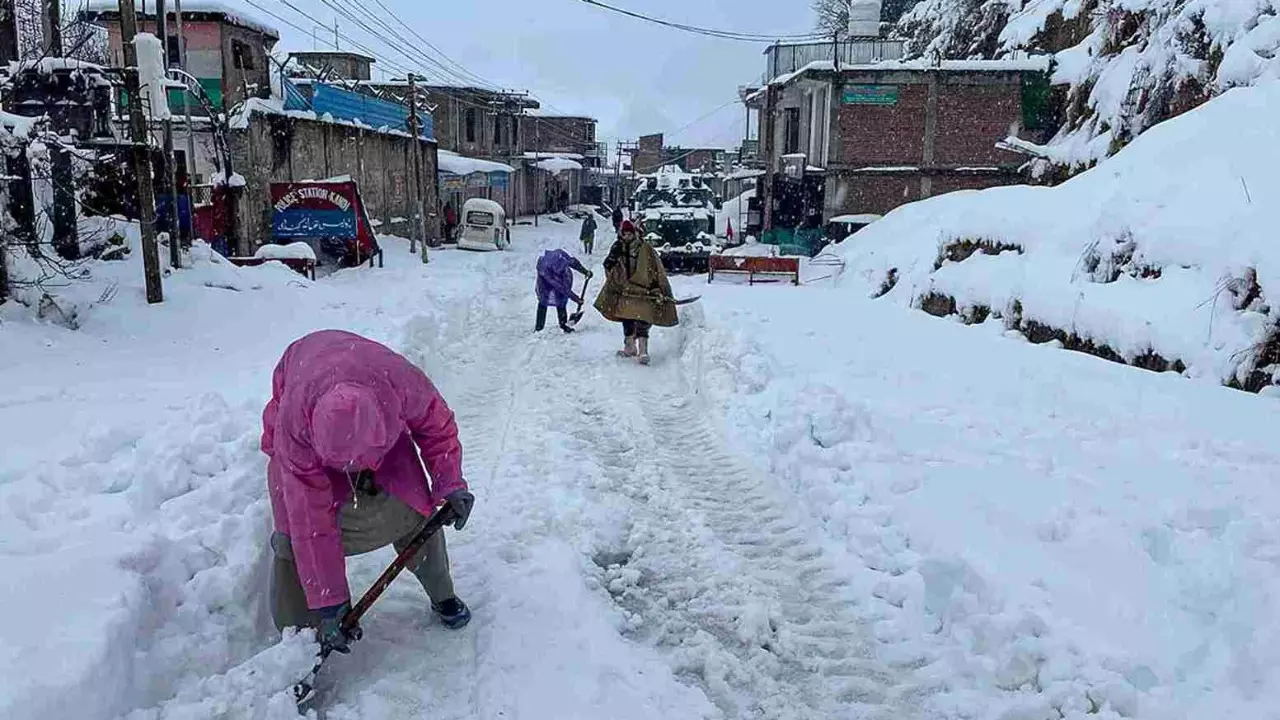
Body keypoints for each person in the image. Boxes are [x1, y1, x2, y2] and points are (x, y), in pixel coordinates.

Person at [262, 330, 476, 657]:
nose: (352, 471)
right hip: (307, 415)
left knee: (413, 504)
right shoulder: (294, 428)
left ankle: (441, 591)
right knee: (292, 531)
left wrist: (451, 484)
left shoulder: (399, 381)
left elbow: (438, 429)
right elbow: (310, 519)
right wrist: (330, 602)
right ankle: (298, 639)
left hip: (374, 413)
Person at [594, 220, 677, 365]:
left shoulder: (644, 248)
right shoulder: (617, 247)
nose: (627, 237)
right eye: (624, 234)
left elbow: (654, 267)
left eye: (629, 234)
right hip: (625, 290)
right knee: (627, 319)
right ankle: (630, 347)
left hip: (644, 290)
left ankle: (643, 350)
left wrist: (656, 287)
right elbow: (609, 267)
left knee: (643, 320)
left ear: (634, 234)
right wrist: (612, 260)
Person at [536, 248, 592, 333]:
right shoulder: (546, 270)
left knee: (561, 300)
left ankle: (563, 325)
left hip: (560, 277)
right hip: (545, 283)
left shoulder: (561, 256)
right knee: (544, 301)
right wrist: (576, 298)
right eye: (561, 268)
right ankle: (539, 327)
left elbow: (572, 262)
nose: (563, 268)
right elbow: (562, 288)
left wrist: (585, 271)